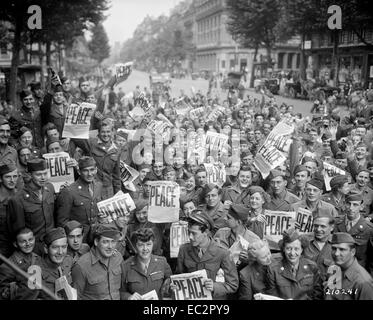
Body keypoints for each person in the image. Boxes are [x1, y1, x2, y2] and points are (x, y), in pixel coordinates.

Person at [176, 210, 239, 300]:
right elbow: (179, 276)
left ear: (205, 232)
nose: (190, 237)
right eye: (188, 232)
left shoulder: (222, 252)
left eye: (194, 233)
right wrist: (175, 285)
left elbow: (233, 285)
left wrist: (215, 286)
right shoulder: (184, 250)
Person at [7, 159, 55, 255]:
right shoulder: (18, 199)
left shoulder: (49, 188)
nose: (43, 178)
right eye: (38, 174)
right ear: (30, 175)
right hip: (33, 249)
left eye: (45, 173)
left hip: (52, 245)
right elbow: (19, 232)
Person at [56, 157, 103, 244]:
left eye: (92, 170)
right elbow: (62, 222)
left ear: (96, 170)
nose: (90, 174)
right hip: (78, 239)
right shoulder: (69, 191)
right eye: (85, 171)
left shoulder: (98, 186)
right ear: (79, 172)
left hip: (95, 236)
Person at [71, 225, 125, 300]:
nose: (110, 246)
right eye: (105, 242)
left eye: (113, 242)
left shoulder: (118, 257)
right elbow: (75, 297)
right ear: (96, 242)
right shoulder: (81, 266)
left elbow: (123, 289)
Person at [266, 228, 323, 300]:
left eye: (296, 249)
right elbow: (272, 296)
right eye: (288, 248)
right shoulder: (273, 270)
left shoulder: (312, 267)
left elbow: (317, 294)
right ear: (283, 249)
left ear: (302, 249)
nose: (292, 253)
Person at [72, 121, 120, 199]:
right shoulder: (91, 143)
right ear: (98, 132)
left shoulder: (117, 150)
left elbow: (116, 175)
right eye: (103, 132)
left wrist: (118, 194)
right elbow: (76, 138)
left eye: (108, 132)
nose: (106, 134)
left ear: (112, 132)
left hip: (108, 190)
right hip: (92, 187)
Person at [121, 228, 172, 300]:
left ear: (153, 244)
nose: (145, 248)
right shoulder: (125, 266)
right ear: (135, 246)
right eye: (141, 245)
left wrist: (171, 286)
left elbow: (170, 282)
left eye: (148, 244)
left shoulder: (162, 262)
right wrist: (129, 297)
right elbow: (121, 291)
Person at [334, 192, 373, 274]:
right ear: (344, 204)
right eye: (348, 204)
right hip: (336, 270)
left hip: (357, 273)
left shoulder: (369, 229)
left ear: (361, 207)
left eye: (355, 205)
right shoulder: (336, 223)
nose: (351, 208)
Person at [326, 232, 373, 300]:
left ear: (353, 252)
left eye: (342, 249)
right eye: (334, 248)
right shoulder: (333, 268)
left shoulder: (362, 282)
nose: (336, 253)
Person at [214, 203, 260, 269]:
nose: (224, 218)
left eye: (228, 218)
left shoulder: (254, 240)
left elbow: (259, 265)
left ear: (238, 222)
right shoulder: (220, 233)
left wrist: (250, 260)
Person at [0, 228, 42, 300]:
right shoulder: (8, 266)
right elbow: (3, 293)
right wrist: (24, 284)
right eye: (23, 241)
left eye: (30, 239)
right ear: (15, 244)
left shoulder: (38, 258)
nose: (28, 244)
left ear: (34, 239)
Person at [37, 227, 73, 300]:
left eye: (63, 247)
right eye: (55, 247)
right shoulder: (35, 271)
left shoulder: (69, 260)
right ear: (46, 249)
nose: (60, 252)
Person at [303, 212, 335, 280]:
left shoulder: (337, 244)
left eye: (323, 226)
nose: (318, 229)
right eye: (316, 226)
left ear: (331, 227)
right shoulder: (304, 240)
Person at [0, 163, 18, 257]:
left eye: (15, 176)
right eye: (8, 177)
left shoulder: (20, 196)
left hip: (17, 248)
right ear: (0, 179)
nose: (12, 180)